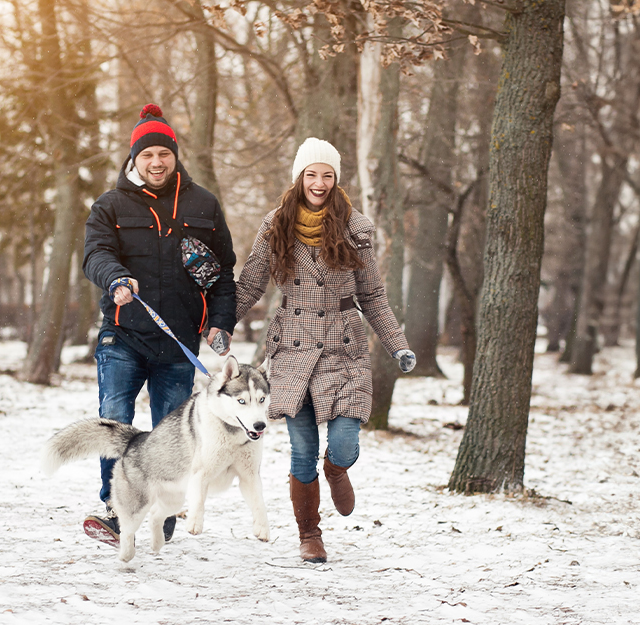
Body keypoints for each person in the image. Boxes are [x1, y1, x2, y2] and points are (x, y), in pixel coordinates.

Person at [234, 137, 414, 563]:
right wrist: (218, 324)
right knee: (300, 451)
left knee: (346, 444)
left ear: (335, 180)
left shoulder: (356, 228)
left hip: (343, 346)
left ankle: (336, 469)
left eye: (327, 175)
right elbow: (251, 284)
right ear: (300, 177)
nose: (319, 182)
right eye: (311, 174)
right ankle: (309, 535)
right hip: (292, 346)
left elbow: (373, 296)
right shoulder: (275, 224)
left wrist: (398, 345)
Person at [81, 104, 237, 545]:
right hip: (123, 333)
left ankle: (162, 508)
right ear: (134, 159)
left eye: (162, 154)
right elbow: (94, 255)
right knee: (115, 417)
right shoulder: (110, 205)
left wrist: (220, 323)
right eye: (146, 155)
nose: (155, 162)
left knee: (171, 433)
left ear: (174, 155)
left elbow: (223, 272)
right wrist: (115, 278)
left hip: (178, 341)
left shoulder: (203, 204)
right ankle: (117, 508)